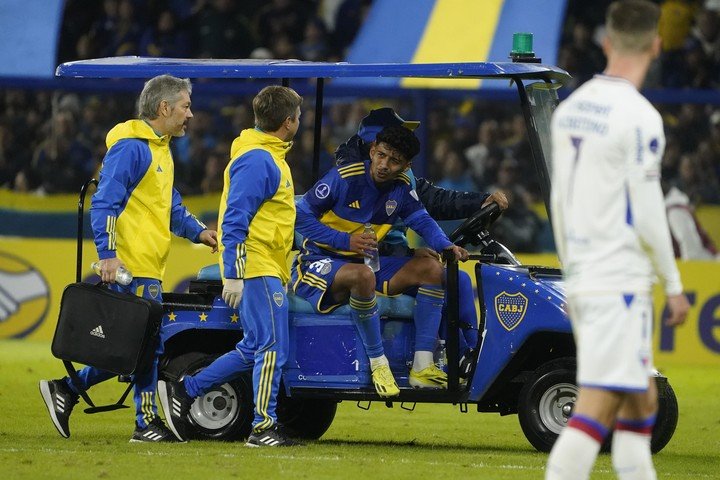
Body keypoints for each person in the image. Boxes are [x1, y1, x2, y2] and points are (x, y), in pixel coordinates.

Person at [547, 2, 691, 479]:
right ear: (657, 44)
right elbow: (648, 205)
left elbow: (559, 201)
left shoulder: (570, 110)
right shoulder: (639, 116)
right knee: (595, 409)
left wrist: (572, 277)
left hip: (590, 275)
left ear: (606, 43)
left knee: (640, 400)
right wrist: (673, 283)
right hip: (620, 279)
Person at [39, 74, 218, 442]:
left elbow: (170, 208)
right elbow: (104, 201)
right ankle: (145, 424)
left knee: (129, 345)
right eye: (185, 106)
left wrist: (199, 232)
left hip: (147, 265)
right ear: (164, 107)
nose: (191, 114)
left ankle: (66, 390)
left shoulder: (160, 149)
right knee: (145, 347)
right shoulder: (132, 148)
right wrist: (107, 255)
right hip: (131, 266)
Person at [158, 85, 303, 447]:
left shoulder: (267, 156)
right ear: (288, 122)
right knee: (271, 348)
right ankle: (263, 427)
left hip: (265, 263)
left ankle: (185, 390)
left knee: (256, 346)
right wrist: (235, 275)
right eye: (299, 117)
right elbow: (235, 220)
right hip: (256, 265)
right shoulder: (259, 160)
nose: (300, 122)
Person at [292, 125, 469, 398]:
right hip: (320, 260)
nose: (385, 165)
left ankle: (422, 367)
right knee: (363, 275)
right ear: (373, 150)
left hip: (367, 262)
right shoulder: (344, 177)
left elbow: (421, 220)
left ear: (406, 165)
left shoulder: (402, 188)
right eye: (382, 155)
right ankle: (378, 363)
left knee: (432, 269)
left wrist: (445, 245)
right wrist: (344, 241)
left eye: (394, 160)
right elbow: (300, 217)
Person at [335, 107, 509, 371]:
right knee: (446, 277)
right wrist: (403, 253)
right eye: (397, 135)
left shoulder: (397, 172)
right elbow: (358, 237)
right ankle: (462, 356)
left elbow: (432, 200)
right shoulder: (354, 179)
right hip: (361, 269)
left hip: (390, 259)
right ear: (375, 145)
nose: (404, 141)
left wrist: (479, 201)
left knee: (457, 279)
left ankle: (469, 354)